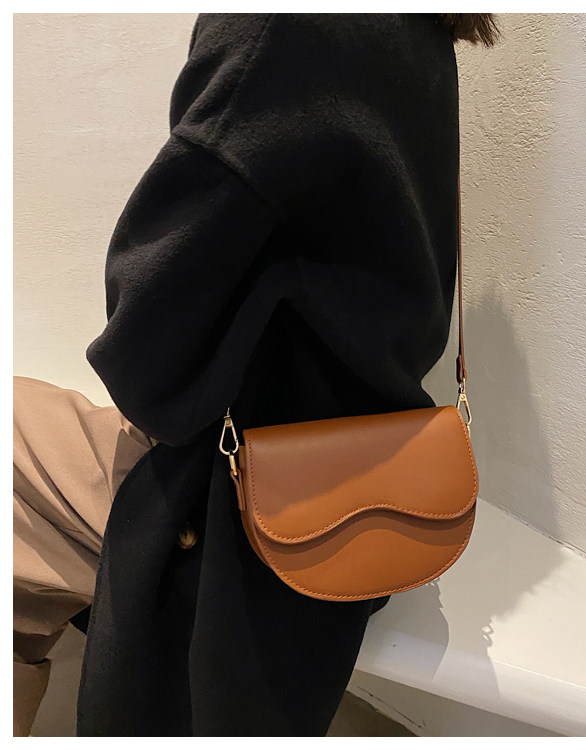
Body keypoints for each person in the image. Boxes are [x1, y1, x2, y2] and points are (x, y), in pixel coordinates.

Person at [13, 12, 501, 737]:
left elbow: (147, 368)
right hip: (378, 466)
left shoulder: (279, 27)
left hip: (244, 504)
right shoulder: (417, 28)